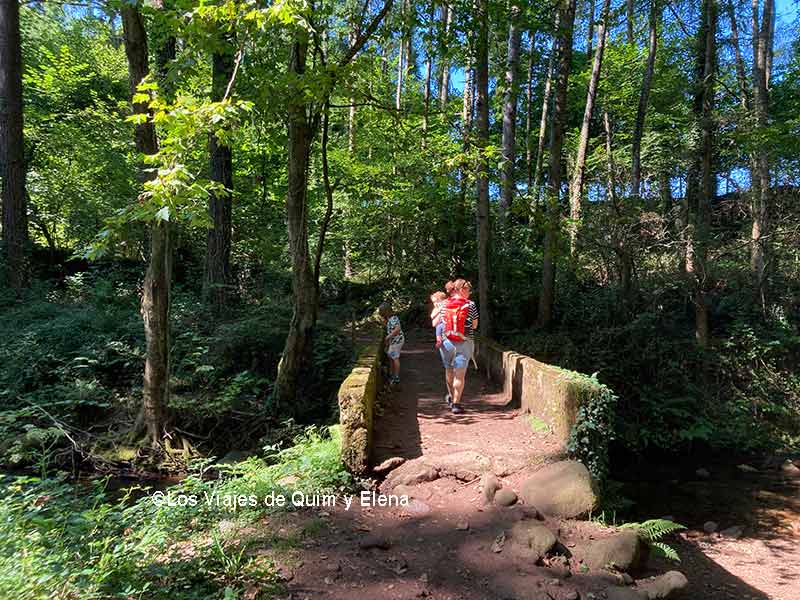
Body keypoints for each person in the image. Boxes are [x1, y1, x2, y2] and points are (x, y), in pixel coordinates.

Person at [439, 279, 478, 414]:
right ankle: (456, 404)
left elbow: (441, 323)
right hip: (464, 342)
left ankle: (451, 397)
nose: (469, 293)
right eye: (468, 290)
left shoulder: (444, 304)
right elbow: (474, 325)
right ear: (462, 290)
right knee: (459, 375)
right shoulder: (470, 305)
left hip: (446, 342)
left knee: (449, 370)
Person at [379, 302, 404, 385]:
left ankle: (396, 377)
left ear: (386, 311)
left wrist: (388, 337)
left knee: (395, 357)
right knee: (390, 356)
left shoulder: (393, 319)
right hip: (394, 341)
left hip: (397, 341)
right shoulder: (390, 318)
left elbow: (397, 329)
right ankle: (392, 373)